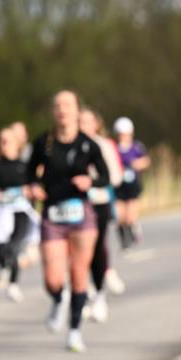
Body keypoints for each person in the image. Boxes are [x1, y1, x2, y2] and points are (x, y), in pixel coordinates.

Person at [27, 91, 109, 353]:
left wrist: (91, 181)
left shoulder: (88, 144)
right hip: (52, 214)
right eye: (58, 105)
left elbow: (105, 177)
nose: (63, 110)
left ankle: (74, 332)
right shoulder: (44, 143)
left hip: (81, 214)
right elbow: (29, 173)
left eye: (68, 105)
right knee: (52, 278)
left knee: (78, 275)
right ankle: (57, 298)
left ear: (76, 110)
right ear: (53, 111)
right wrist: (33, 187)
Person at [78, 108, 124, 322]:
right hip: (76, 204)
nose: (83, 125)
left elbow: (115, 176)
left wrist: (92, 180)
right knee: (77, 251)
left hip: (99, 201)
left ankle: (98, 295)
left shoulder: (104, 145)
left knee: (96, 247)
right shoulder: (70, 145)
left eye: (88, 122)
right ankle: (82, 293)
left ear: (96, 124)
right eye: (80, 121)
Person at [0, 126, 38, 301]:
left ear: (17, 144)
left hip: (21, 210)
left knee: (14, 246)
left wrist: (31, 191)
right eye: (1, 141)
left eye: (8, 141)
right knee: (1, 248)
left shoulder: (25, 166)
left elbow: (35, 187)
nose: (4, 144)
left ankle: (13, 284)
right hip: (2, 211)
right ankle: (4, 268)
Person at [113, 117, 151, 250]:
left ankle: (132, 232)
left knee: (130, 215)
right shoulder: (114, 148)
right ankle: (124, 239)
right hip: (118, 185)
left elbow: (145, 160)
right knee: (119, 216)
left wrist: (136, 165)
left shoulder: (136, 147)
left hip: (133, 185)